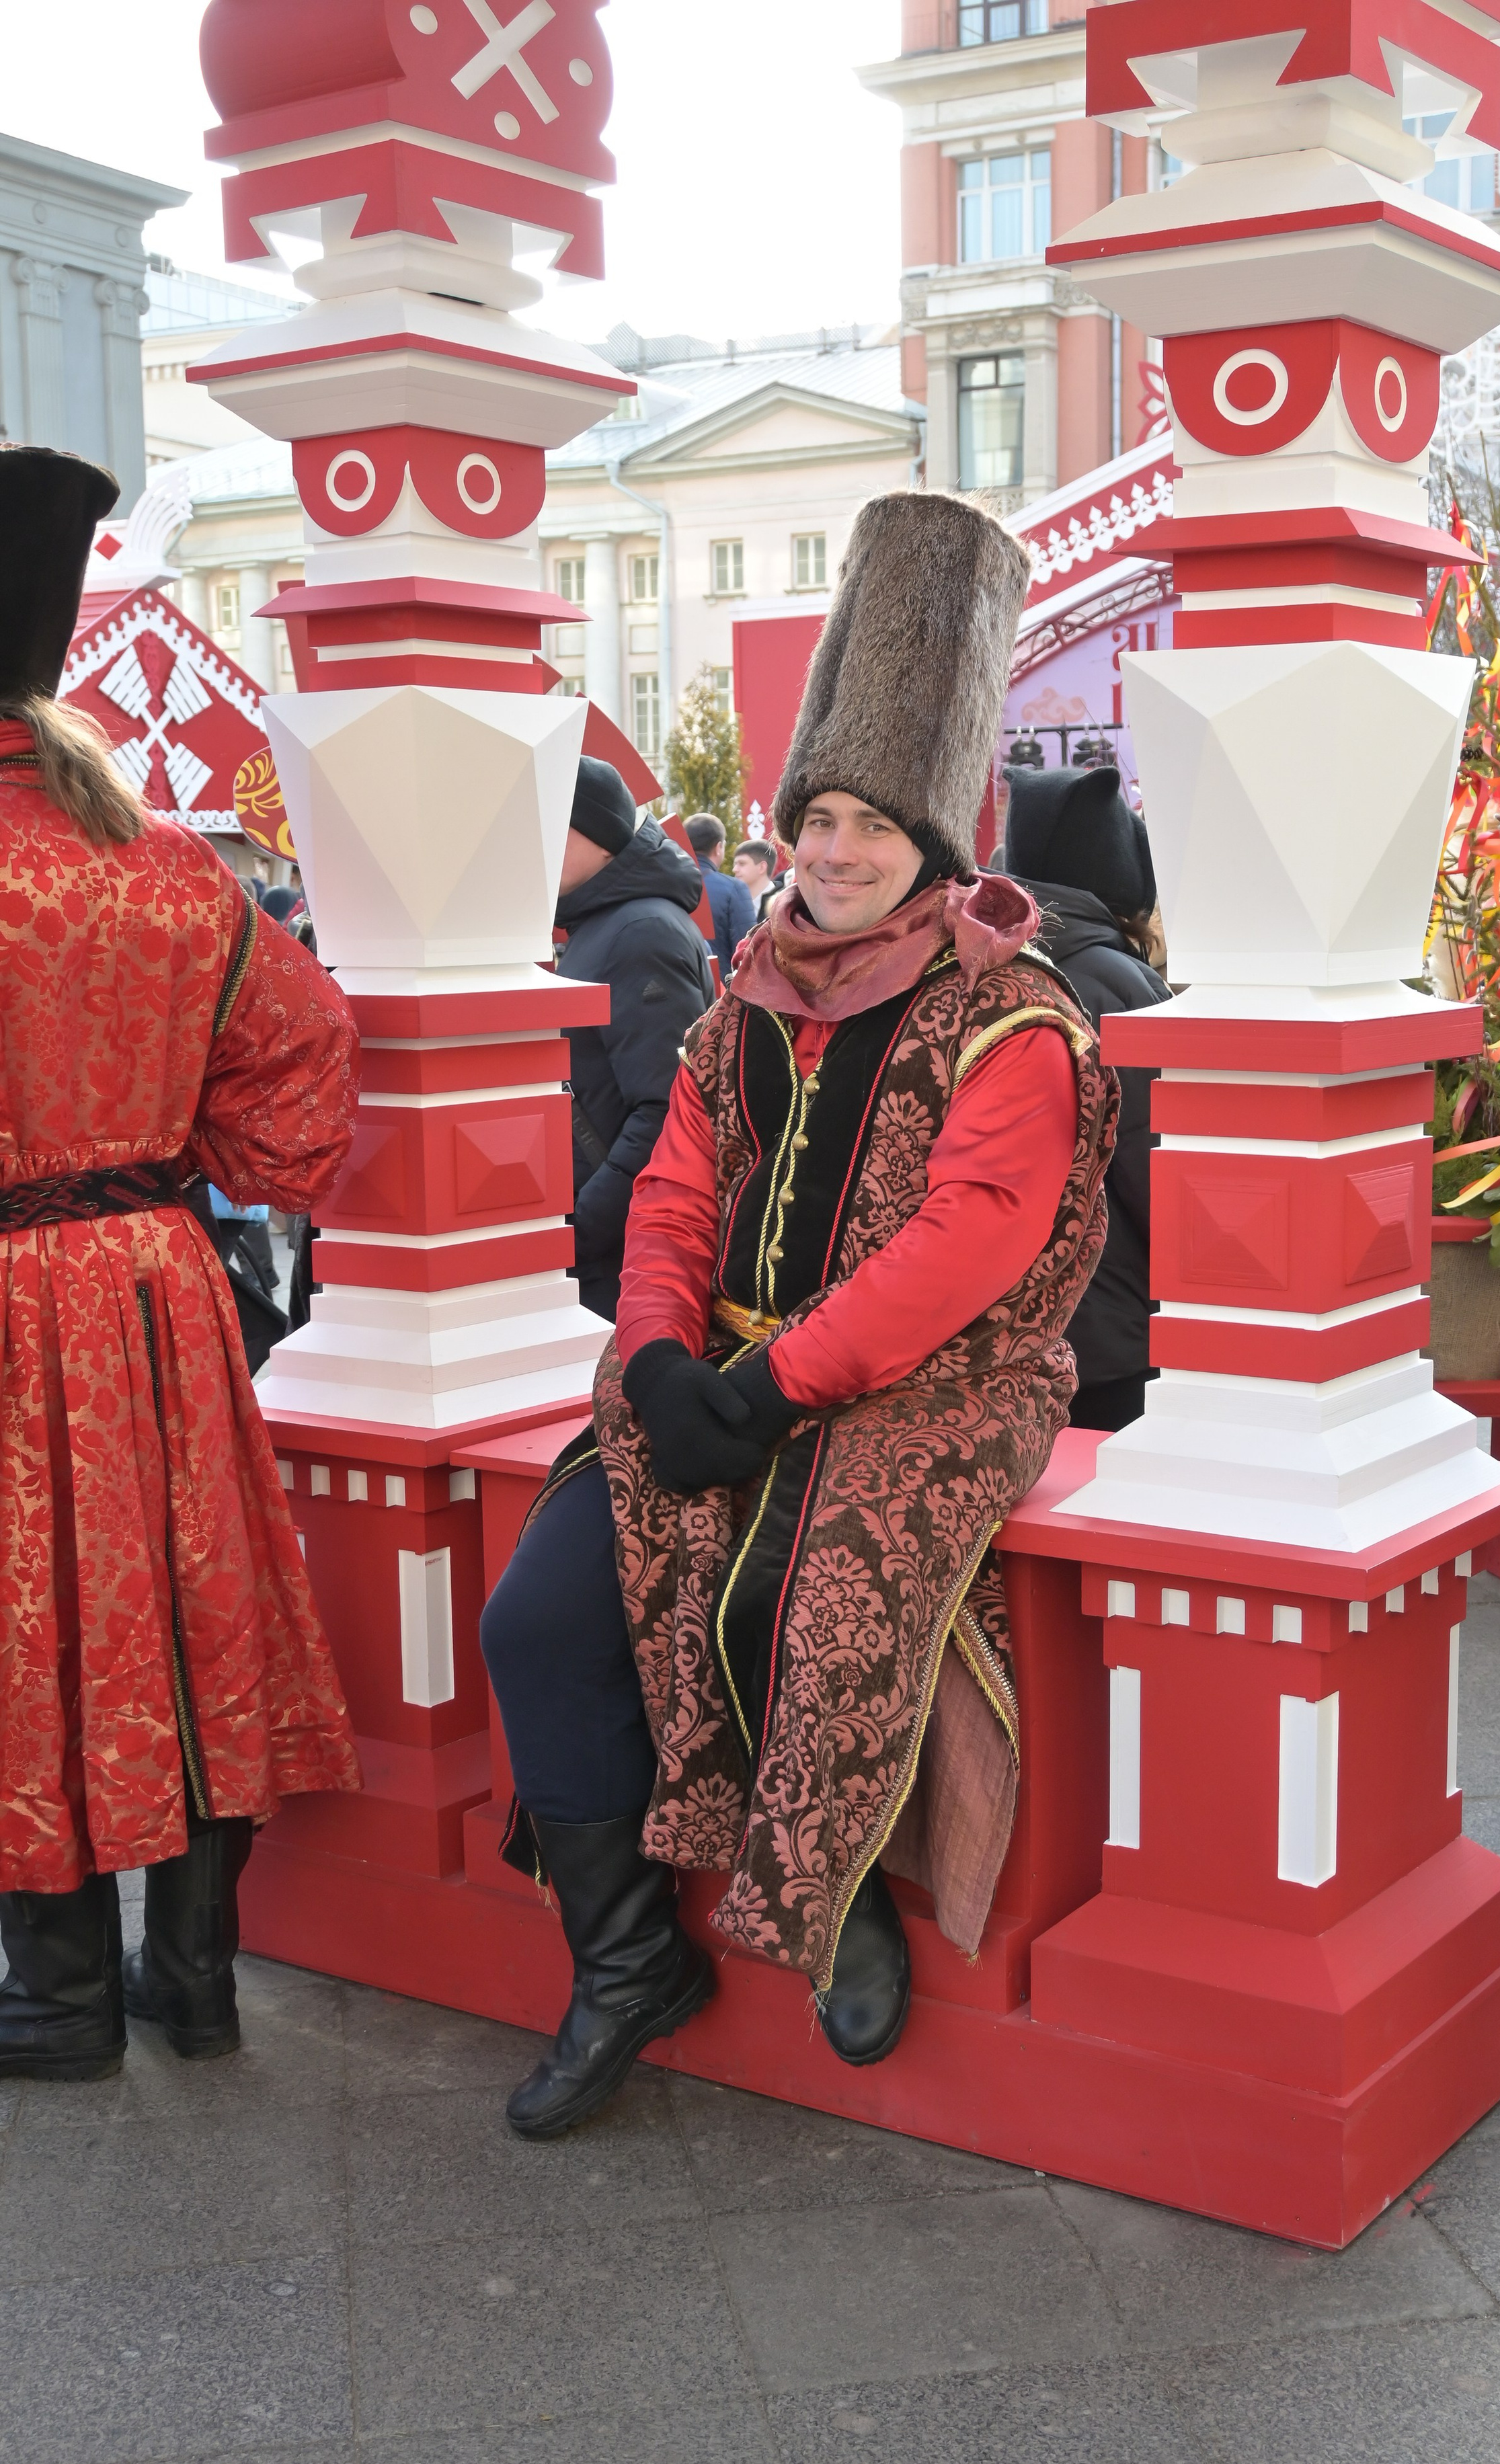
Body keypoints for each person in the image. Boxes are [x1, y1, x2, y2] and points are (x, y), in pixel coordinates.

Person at [480, 489, 1119, 2140]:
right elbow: (675, 1193)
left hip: (936, 1377)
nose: (830, 850)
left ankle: (840, 1895)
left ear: (933, 842)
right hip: (720, 1361)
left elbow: (969, 1245)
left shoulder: (1014, 1014)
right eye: (813, 816)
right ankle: (624, 1957)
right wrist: (658, 1353)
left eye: (868, 825)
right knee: (542, 1613)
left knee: (814, 1591)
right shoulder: (742, 985)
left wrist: (765, 1395)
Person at [0, 444, 362, 2082]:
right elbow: (308, 1061)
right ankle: (196, 1978)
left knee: (35, 1630)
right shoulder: (163, 862)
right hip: (156, 1286)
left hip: (11, 1306)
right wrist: (180, 1176)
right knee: (189, 1602)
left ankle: (60, 1997)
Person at [1005, 763, 1169, 1431]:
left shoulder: (984, 965)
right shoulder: (1117, 985)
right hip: (1114, 1333)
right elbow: (1156, 1164)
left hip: (1010, 1324)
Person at [556, 758, 715, 1322]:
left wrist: (580, 1229)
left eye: (552, 824)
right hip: (603, 1239)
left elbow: (668, 1107)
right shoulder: (601, 924)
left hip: (612, 1252)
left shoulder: (638, 929)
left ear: (599, 837)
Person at [682, 811, 754, 981]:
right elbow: (748, 952)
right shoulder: (733, 889)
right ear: (718, 847)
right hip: (719, 994)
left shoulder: (663, 885)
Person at [731, 837, 777, 920]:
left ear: (762, 867)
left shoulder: (784, 904)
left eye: (742, 864)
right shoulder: (732, 903)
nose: (735, 870)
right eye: (735, 864)